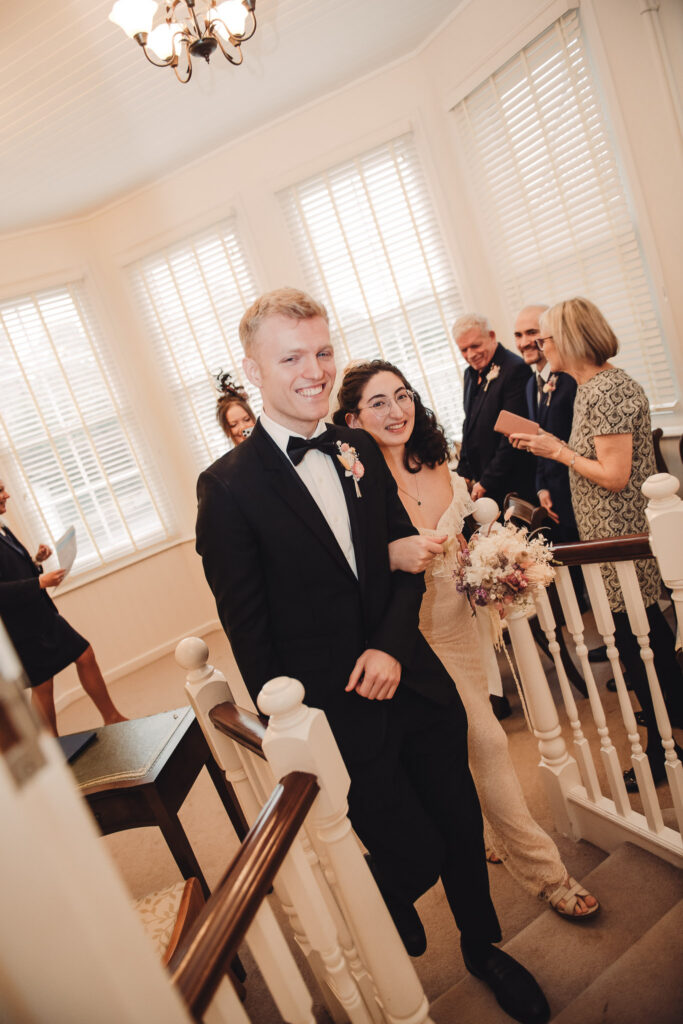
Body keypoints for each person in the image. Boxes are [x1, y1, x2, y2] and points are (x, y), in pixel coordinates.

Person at [196, 288, 550, 1024]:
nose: (315, 370)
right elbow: (249, 629)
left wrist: (390, 648)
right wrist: (291, 732)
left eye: (323, 352)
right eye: (291, 356)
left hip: (413, 676)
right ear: (253, 366)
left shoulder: (356, 448)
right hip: (335, 706)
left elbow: (401, 565)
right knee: (406, 846)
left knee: (458, 820)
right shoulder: (226, 489)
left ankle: (483, 947)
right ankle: (398, 894)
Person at [334, 359, 599, 921]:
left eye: (402, 395)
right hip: (418, 639)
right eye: (378, 402)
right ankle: (549, 876)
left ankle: (484, 831)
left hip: (466, 623)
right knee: (491, 743)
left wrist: (494, 572)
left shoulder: (436, 459)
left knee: (462, 741)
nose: (396, 410)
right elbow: (347, 571)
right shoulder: (353, 488)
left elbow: (467, 536)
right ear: (353, 418)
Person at [509, 297, 683, 791]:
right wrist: (552, 445)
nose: (539, 347)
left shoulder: (605, 390)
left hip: (621, 543)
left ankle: (664, 743)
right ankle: (665, 735)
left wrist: (557, 451)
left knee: (640, 646)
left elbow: (614, 474)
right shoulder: (587, 387)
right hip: (606, 541)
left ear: (570, 339)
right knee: (638, 644)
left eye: (544, 338)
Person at [0, 480, 126, 736]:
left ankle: (112, 717)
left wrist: (35, 561)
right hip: (21, 627)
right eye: (0, 490)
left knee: (85, 654)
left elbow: (10, 572)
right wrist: (39, 582)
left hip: (42, 615)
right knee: (43, 685)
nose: (7, 494)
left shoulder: (3, 526)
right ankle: (54, 745)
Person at [454, 313, 536, 507]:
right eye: (463, 349)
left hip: (512, 482)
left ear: (491, 336)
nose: (470, 354)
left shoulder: (515, 369)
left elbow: (513, 436)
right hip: (484, 483)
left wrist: (487, 481)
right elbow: (470, 424)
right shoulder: (470, 374)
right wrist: (463, 474)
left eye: (475, 346)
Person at [514, 305, 578, 542]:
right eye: (518, 335)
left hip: (577, 491)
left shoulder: (571, 378)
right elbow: (538, 437)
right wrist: (541, 487)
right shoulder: (531, 385)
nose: (524, 342)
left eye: (532, 332)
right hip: (552, 497)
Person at [215, 370, 256, 446]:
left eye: (247, 420)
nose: (243, 427)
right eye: (233, 425)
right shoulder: (233, 458)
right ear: (226, 431)